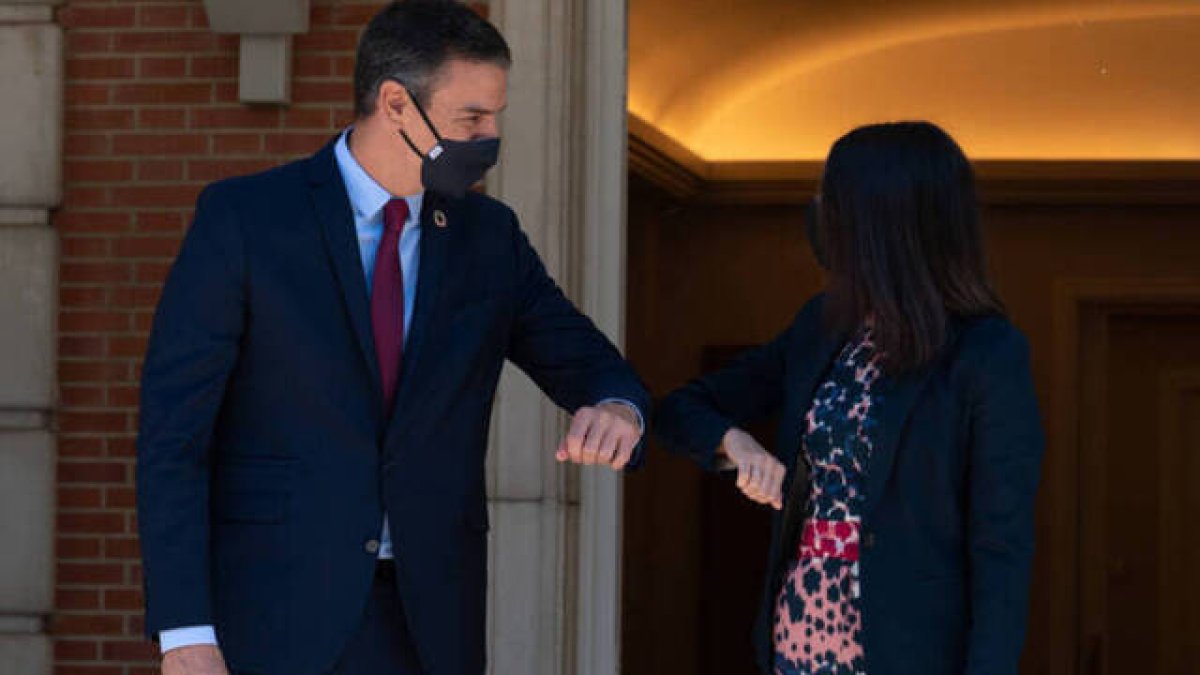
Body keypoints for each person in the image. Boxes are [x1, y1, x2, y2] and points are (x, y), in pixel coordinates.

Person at [136, 2, 650, 673]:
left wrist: (618, 408)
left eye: (495, 115)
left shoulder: (488, 238)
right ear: (396, 104)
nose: (491, 135)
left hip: (428, 620)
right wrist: (183, 630)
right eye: (472, 118)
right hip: (270, 613)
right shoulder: (246, 221)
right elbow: (174, 437)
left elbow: (590, 362)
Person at [654, 121, 1044, 675]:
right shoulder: (822, 327)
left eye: (830, 199)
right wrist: (731, 442)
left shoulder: (986, 353)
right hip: (799, 642)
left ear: (874, 221)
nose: (818, 214)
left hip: (912, 654)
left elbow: (1001, 551)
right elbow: (679, 410)